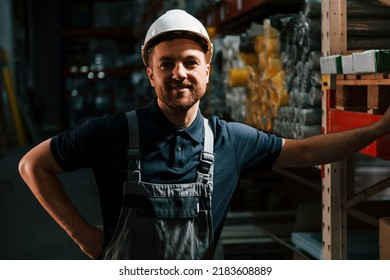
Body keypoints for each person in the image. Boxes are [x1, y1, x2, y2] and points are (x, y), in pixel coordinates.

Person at [19, 9, 390, 260]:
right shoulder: (114, 132)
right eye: (166, 63)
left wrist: (378, 128)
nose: (179, 72)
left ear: (207, 72)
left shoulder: (231, 141)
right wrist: (81, 234)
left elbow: (307, 152)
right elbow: (32, 165)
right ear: (151, 73)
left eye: (190, 62)